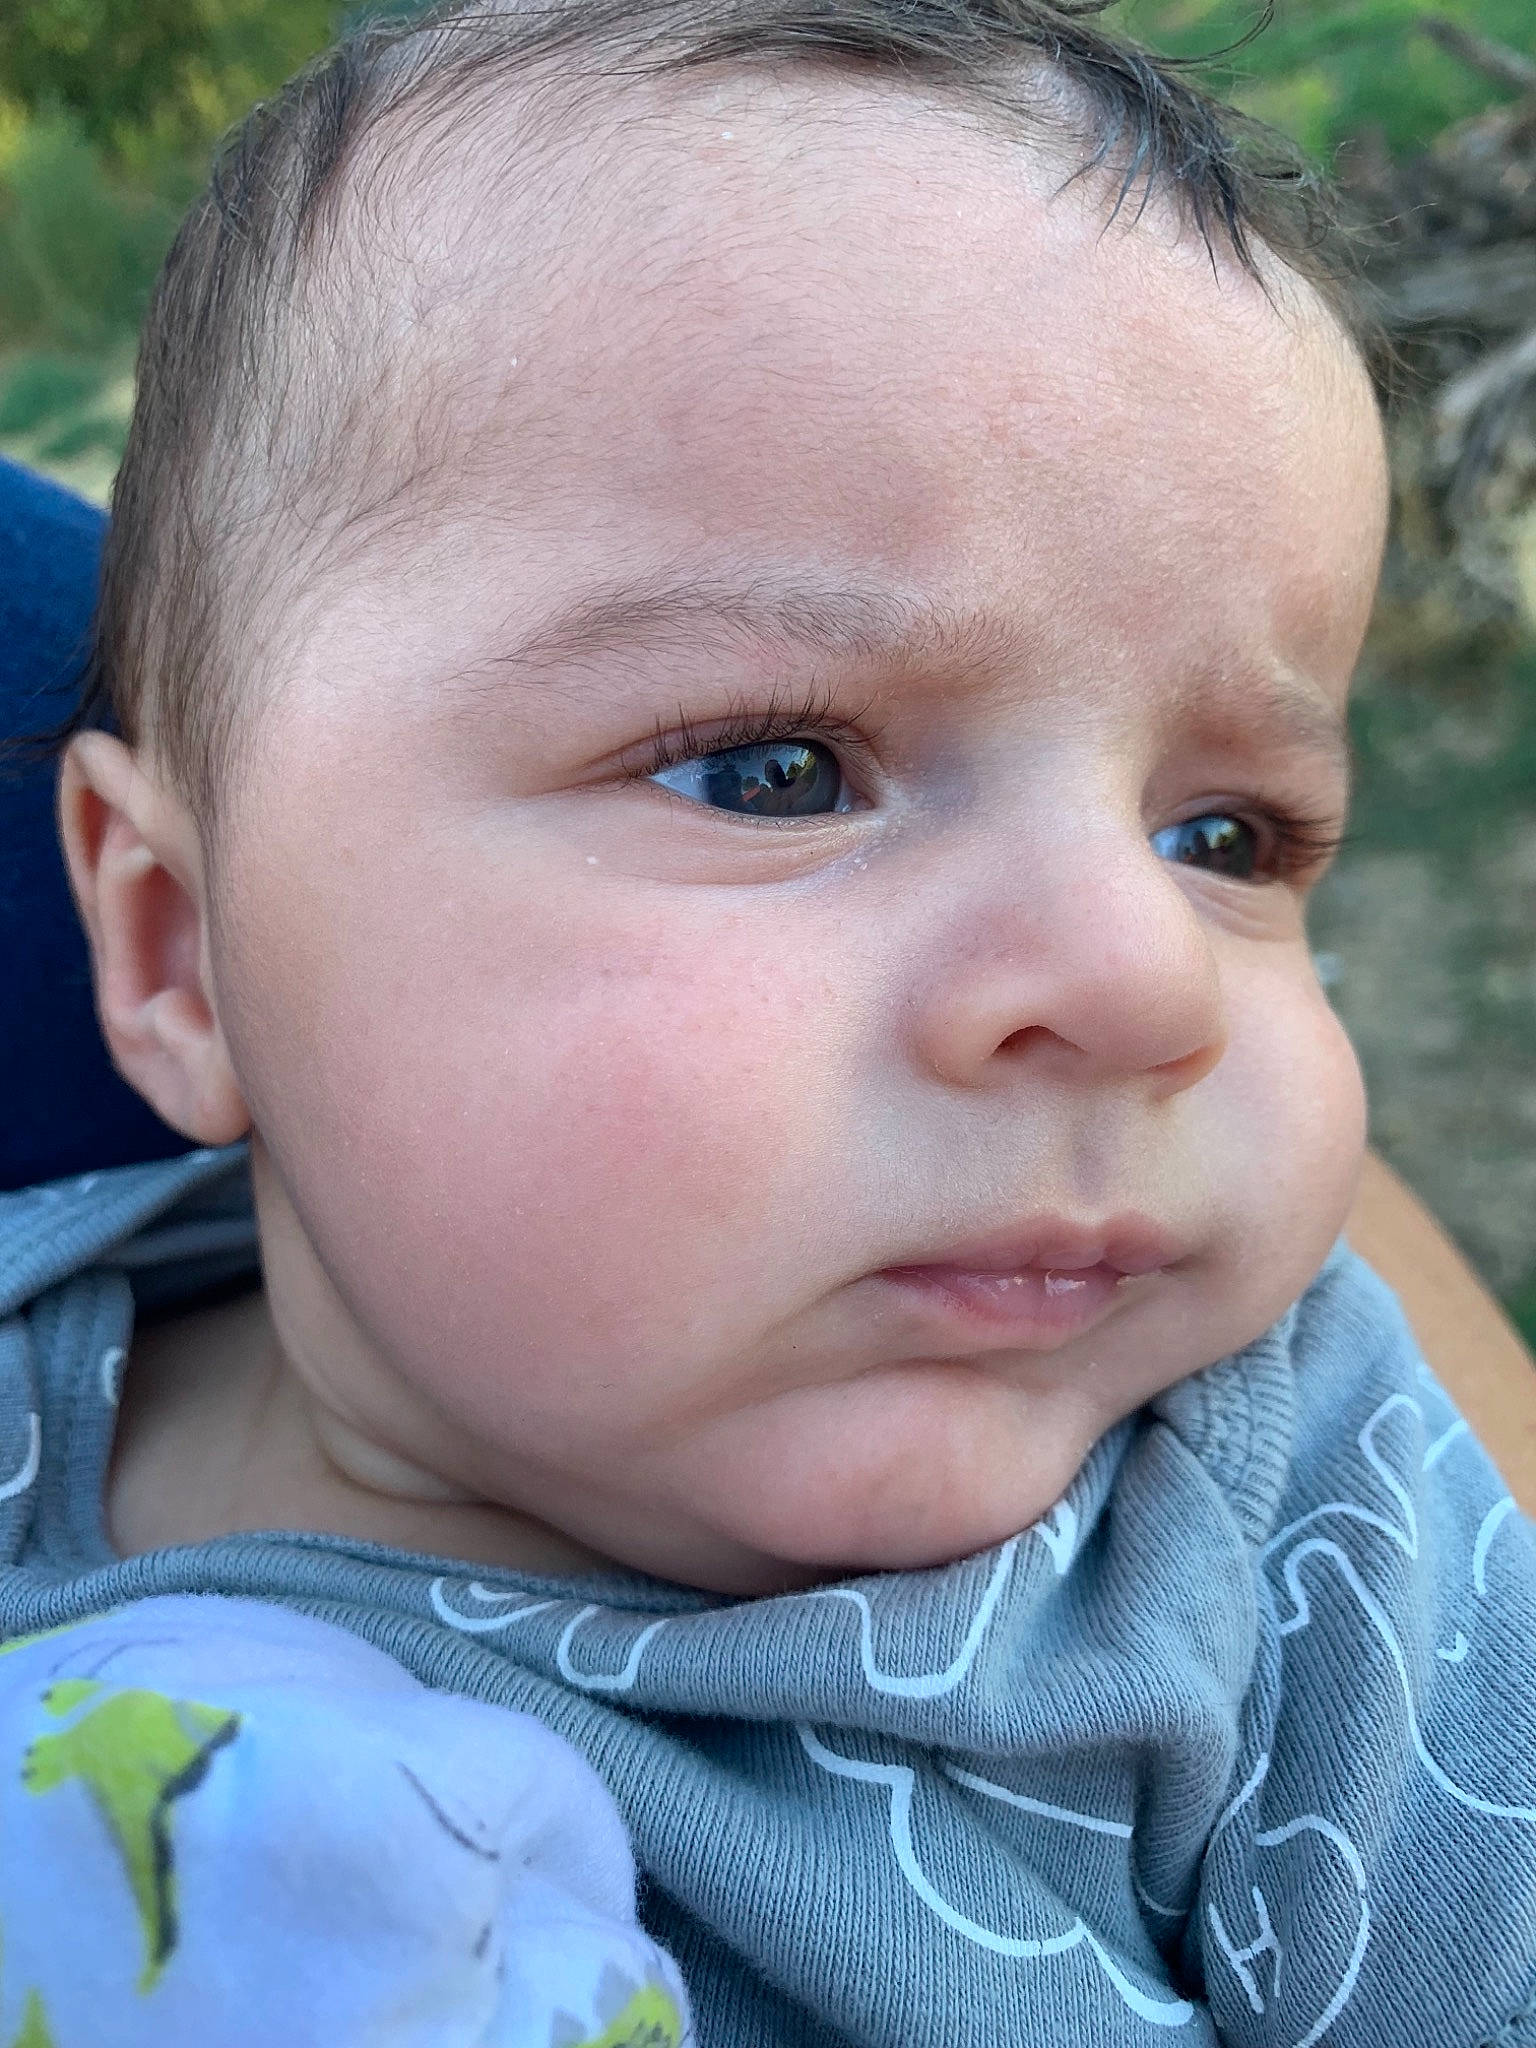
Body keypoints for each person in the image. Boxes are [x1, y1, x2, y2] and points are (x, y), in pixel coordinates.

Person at [4, 0, 1536, 2039]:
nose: (1145, 980)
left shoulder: (1279, 1502)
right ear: (184, 946)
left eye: (1230, 834)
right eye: (774, 775)